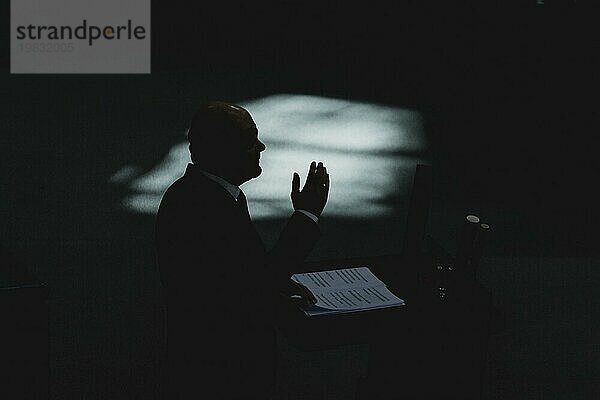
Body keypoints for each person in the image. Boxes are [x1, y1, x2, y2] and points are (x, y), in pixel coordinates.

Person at [155, 101, 330, 399]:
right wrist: (306, 215)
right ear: (221, 150)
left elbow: (237, 275)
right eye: (250, 139)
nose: (260, 146)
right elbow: (252, 288)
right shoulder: (206, 209)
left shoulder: (206, 194)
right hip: (221, 374)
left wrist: (269, 278)